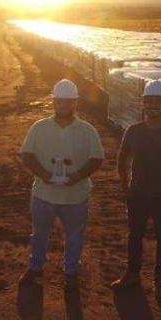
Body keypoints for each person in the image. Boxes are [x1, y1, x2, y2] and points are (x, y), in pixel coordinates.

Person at [19, 79, 104, 289]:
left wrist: (78, 176)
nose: (64, 106)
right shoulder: (39, 128)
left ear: (76, 103)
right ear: (54, 102)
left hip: (75, 197)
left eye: (69, 102)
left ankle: (71, 270)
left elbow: (97, 158)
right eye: (60, 102)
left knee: (74, 236)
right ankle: (36, 266)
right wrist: (43, 174)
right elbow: (27, 155)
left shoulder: (87, 131)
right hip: (43, 195)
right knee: (39, 233)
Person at [111, 80, 161, 296]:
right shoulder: (134, 131)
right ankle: (133, 274)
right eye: (149, 101)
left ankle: (160, 279)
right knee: (135, 235)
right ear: (143, 105)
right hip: (138, 194)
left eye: (158, 102)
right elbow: (121, 159)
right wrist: (125, 185)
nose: (153, 106)